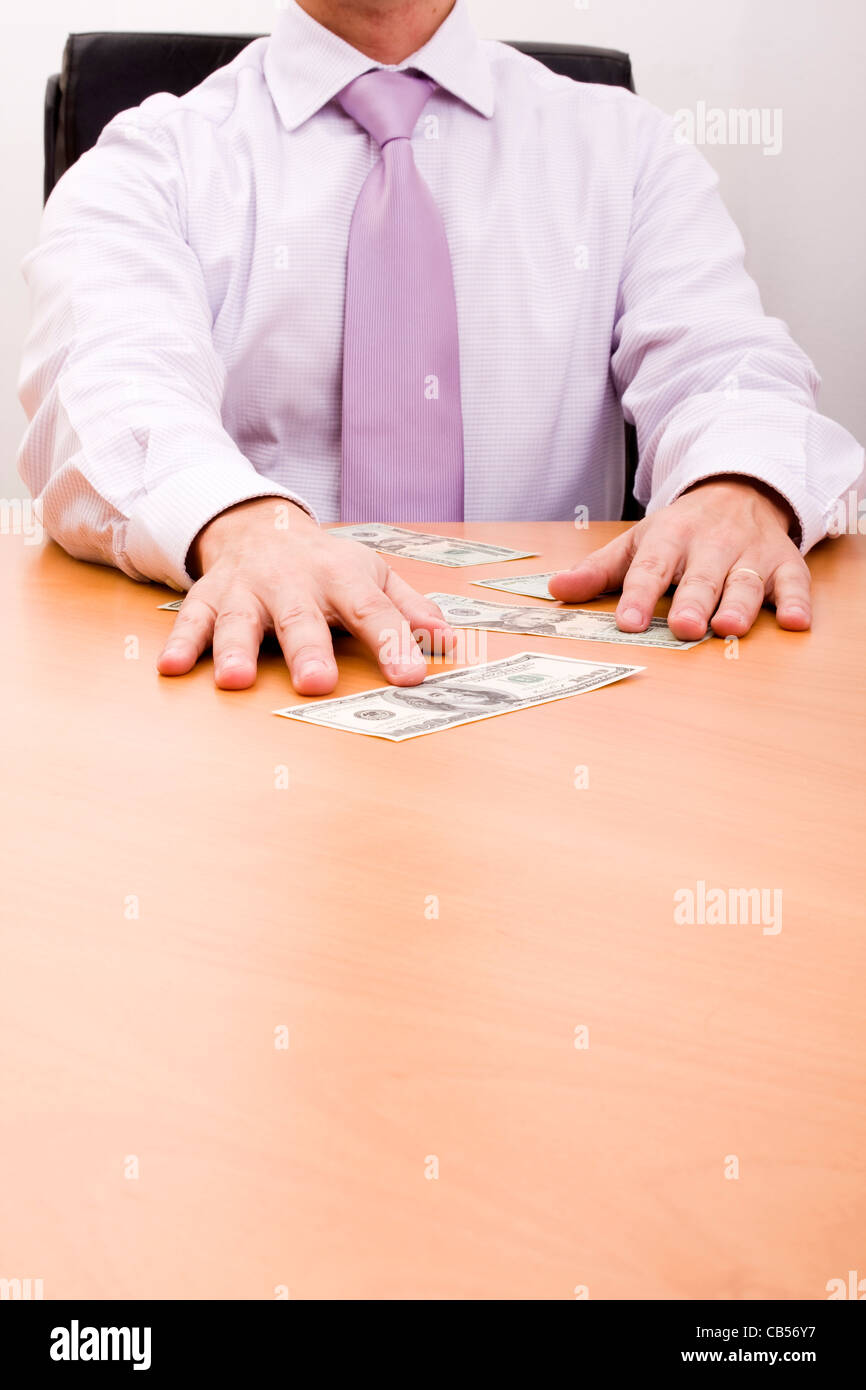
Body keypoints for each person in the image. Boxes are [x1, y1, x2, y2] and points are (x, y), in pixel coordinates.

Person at [18, 0, 863, 695]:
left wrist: (738, 484)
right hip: (257, 677)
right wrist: (239, 527)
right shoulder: (147, 160)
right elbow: (112, 383)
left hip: (566, 698)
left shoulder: (629, 148)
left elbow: (726, 368)